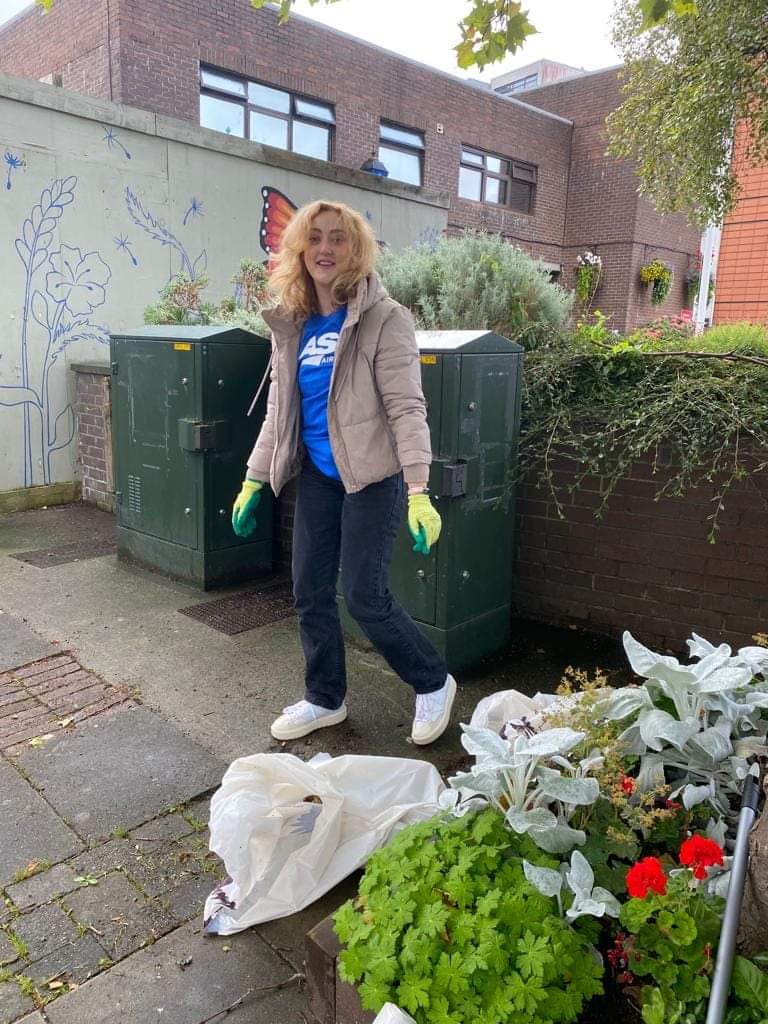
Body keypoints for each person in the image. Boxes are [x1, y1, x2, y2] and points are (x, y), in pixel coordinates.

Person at [231, 199, 455, 745]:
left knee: (363, 595)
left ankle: (433, 682)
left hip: (373, 478)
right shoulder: (293, 324)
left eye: (338, 238)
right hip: (319, 478)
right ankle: (324, 698)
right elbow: (279, 411)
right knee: (308, 590)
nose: (325, 248)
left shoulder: (385, 319)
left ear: (356, 250)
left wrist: (419, 489)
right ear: (298, 249)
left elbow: (407, 408)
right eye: (315, 238)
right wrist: (253, 479)